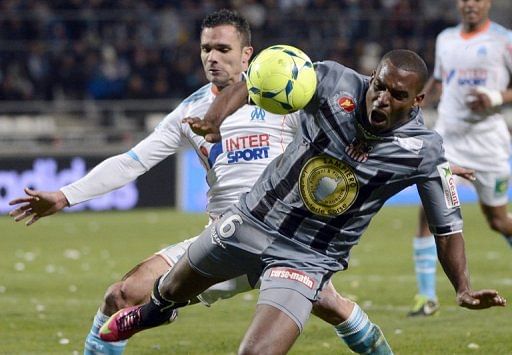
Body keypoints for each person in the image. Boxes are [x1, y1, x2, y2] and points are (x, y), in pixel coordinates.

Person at [9, 9, 392, 355]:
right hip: (223, 238)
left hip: (287, 240)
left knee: (333, 307)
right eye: (206, 48)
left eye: (223, 49)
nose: (212, 57)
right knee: (121, 296)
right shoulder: (190, 111)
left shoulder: (284, 99)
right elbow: (132, 162)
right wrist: (65, 194)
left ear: (247, 55)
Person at [99, 49, 506, 354]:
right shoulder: (331, 82)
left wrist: (463, 288)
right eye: (379, 85)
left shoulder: (424, 152)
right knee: (167, 289)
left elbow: (448, 228)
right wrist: (214, 118)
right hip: (251, 220)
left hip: (307, 258)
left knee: (256, 353)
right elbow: (255, 81)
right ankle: (155, 311)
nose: (381, 99)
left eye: (397, 95)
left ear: (417, 101)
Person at [408, 0, 512, 317]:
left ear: (488, 3)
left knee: (497, 220)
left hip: (488, 144)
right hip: (448, 141)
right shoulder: (446, 39)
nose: (471, 5)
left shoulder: (504, 41)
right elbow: (440, 80)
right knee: (429, 214)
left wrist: (495, 97)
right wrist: (415, 103)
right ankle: (426, 298)